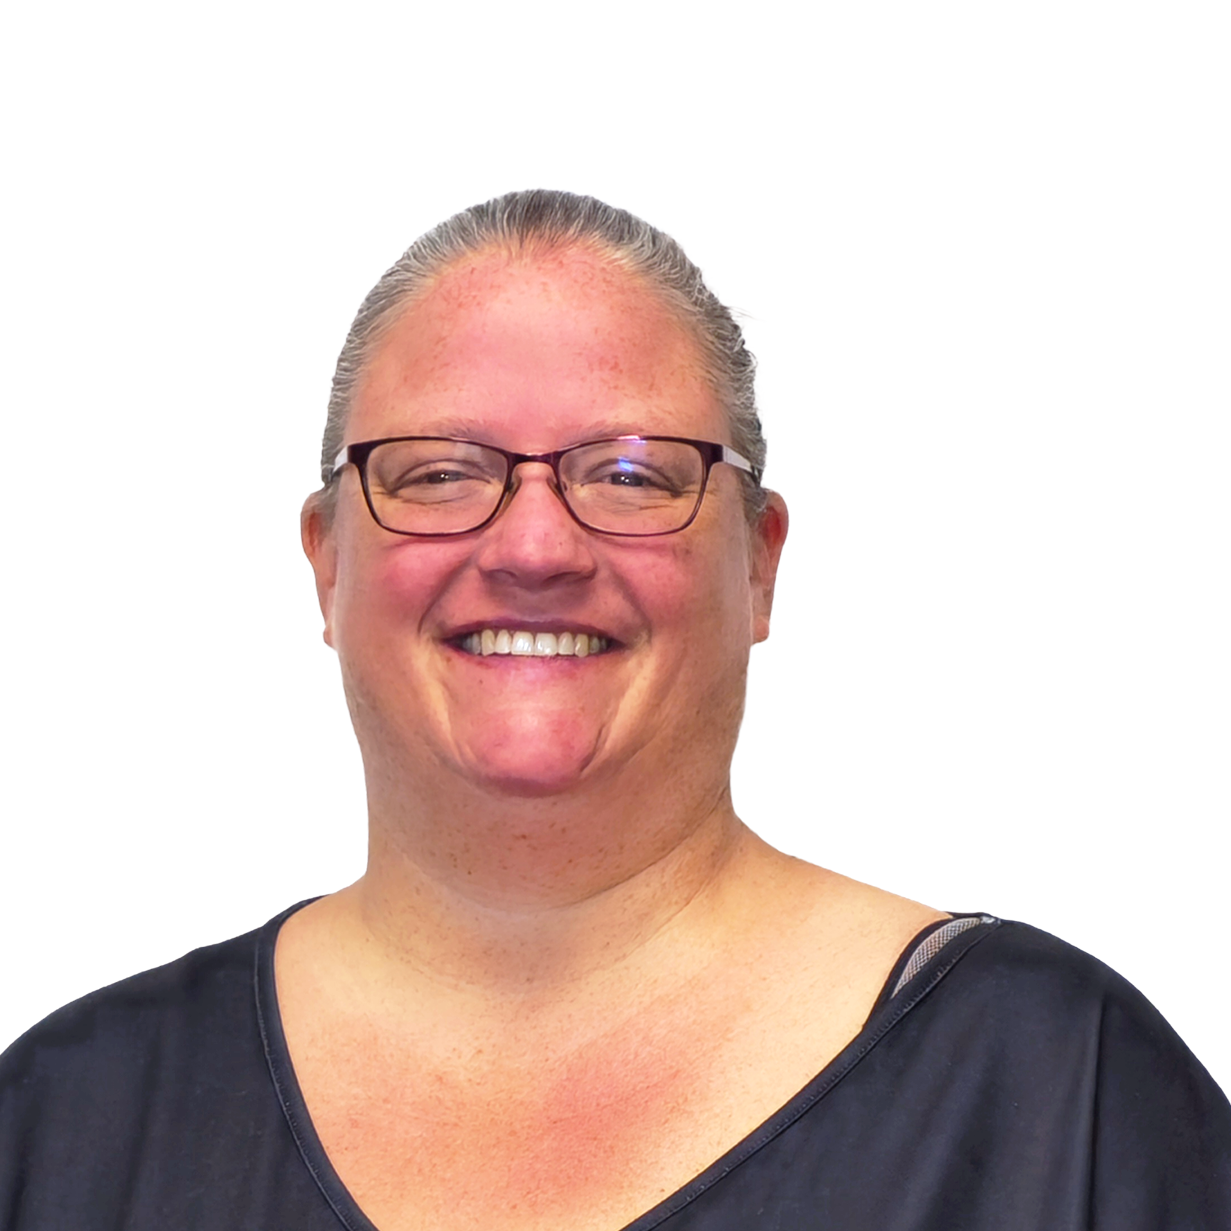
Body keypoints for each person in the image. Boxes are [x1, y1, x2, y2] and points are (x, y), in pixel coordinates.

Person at [2, 189, 1228, 1230]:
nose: (534, 546)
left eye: (630, 474)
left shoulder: (1061, 1100)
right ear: (327, 562)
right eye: (440, 472)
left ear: (759, 562)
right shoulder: (65, 1127)